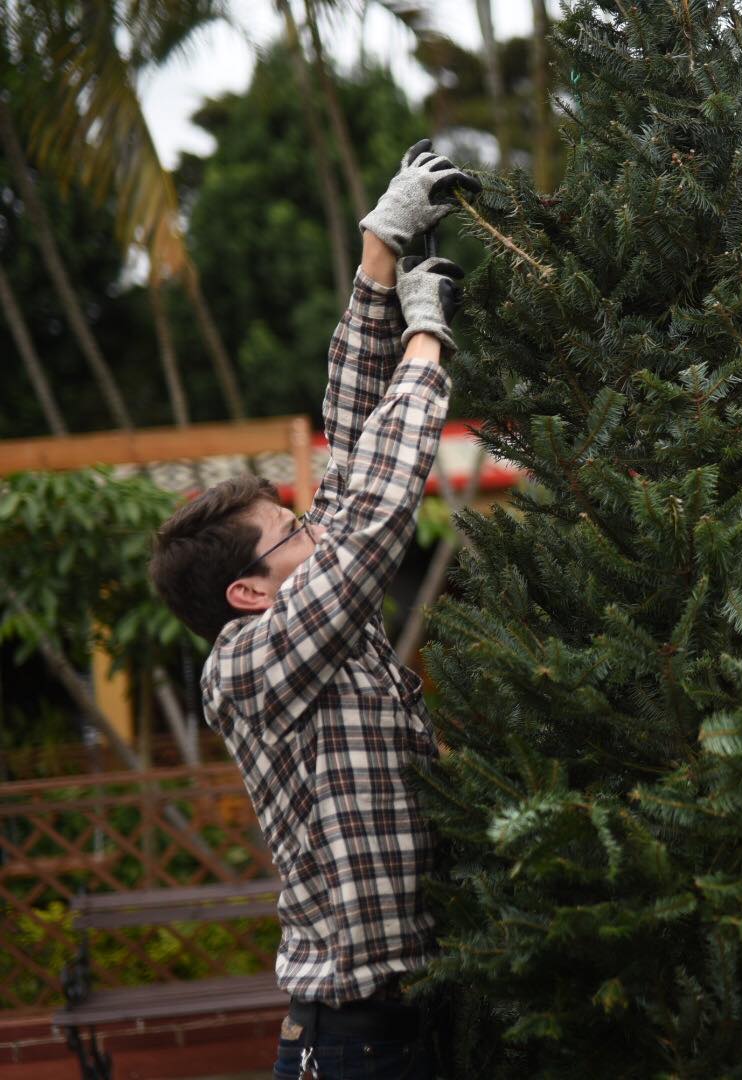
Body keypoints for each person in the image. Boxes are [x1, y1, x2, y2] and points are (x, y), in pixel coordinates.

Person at [148, 139, 479, 1079]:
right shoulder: (251, 663)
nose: (315, 531)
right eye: (291, 533)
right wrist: (428, 339)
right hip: (359, 1041)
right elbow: (373, 513)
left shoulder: (303, 599)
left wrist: (381, 252)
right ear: (248, 593)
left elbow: (349, 455)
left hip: (426, 1014)